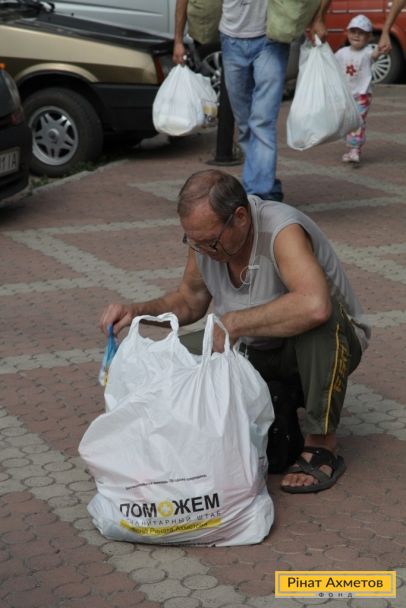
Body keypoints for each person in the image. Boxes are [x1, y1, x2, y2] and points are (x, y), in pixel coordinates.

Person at [100, 169, 371, 494]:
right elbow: (190, 300)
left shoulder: (282, 230)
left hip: (326, 346)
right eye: (193, 241)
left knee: (320, 321)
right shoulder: (204, 240)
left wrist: (236, 323)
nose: (203, 250)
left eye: (210, 241)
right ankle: (273, 402)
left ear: (240, 217)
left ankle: (322, 444)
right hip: (258, 346)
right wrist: (137, 312)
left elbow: (315, 305)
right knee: (176, 357)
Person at [173, 1, 331, 202]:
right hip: (231, 41)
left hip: (271, 40)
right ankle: (266, 185)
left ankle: (258, 194)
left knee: (262, 122)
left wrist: (319, 18)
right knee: (245, 124)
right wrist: (178, 40)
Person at [335, 15, 389, 165]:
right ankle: (351, 147)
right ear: (347, 33)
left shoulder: (368, 52)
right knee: (347, 122)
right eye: (353, 31)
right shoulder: (341, 53)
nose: (356, 35)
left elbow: (376, 53)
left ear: (369, 37)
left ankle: (355, 149)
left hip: (362, 95)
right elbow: (330, 64)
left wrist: (382, 47)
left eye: (361, 33)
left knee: (358, 122)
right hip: (346, 96)